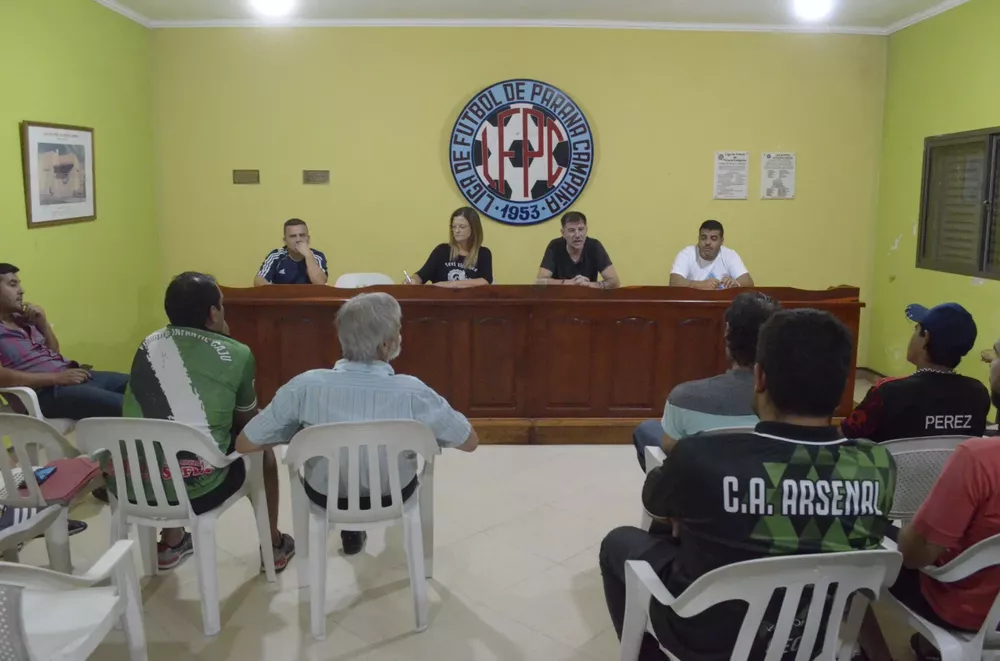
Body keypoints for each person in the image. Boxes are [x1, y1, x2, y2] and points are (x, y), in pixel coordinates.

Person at [600, 308, 896, 661]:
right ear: (843, 384)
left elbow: (658, 507)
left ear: (760, 378)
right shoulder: (876, 465)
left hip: (705, 637)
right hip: (814, 633)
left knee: (619, 543)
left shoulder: (701, 455)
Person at [234, 292, 479, 555]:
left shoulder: (304, 387)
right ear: (386, 345)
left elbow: (245, 442)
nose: (400, 335)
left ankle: (348, 530)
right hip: (395, 494)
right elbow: (470, 441)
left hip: (325, 496)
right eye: (398, 330)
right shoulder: (413, 392)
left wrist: (296, 435)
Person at [110, 272, 294, 571]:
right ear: (213, 312)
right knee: (263, 451)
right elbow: (247, 426)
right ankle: (273, 545)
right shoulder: (238, 353)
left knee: (167, 435)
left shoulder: (147, 343)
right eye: (221, 304)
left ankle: (171, 542)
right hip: (198, 486)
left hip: (132, 480)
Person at [860, 335, 1000, 660]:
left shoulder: (978, 458)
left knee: (860, 553)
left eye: (995, 356)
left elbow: (914, 556)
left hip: (965, 609)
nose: (988, 362)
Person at [632, 292, 779, 471]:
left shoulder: (684, 397)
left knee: (647, 429)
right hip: (767, 481)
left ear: (727, 332)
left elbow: (673, 451)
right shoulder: (795, 402)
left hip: (701, 486)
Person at [842, 302, 989, 443]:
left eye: (915, 329)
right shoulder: (978, 394)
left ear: (926, 337)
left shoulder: (888, 392)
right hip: (950, 470)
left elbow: (845, 435)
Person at [0, 263, 129, 419]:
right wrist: (56, 378)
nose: (21, 290)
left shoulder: (23, 320)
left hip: (72, 377)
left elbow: (53, 355)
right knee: (128, 405)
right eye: (13, 285)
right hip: (43, 394)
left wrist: (44, 325)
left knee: (140, 385)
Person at [406, 207, 493, 288]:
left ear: (473, 228)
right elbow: (421, 275)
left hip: (470, 303)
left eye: (462, 227)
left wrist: (449, 284)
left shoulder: (483, 253)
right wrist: (413, 280)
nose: (457, 231)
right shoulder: (442, 251)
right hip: (441, 302)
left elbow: (485, 281)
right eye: (454, 227)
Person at [535, 211, 620, 288]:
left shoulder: (594, 246)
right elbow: (540, 281)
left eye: (581, 229)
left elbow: (615, 282)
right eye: (571, 230)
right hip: (560, 301)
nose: (577, 235)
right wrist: (569, 283)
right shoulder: (555, 246)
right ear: (563, 233)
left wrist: (590, 284)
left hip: (588, 299)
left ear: (586, 230)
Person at [669, 220, 753, 290]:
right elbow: (674, 282)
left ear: (721, 241)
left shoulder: (730, 255)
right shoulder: (687, 254)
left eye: (713, 239)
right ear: (698, 238)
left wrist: (736, 283)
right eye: (703, 238)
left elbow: (749, 283)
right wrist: (699, 285)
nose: (707, 242)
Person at [254, 218, 328, 286]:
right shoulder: (276, 256)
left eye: (302, 235)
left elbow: (320, 284)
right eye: (293, 236)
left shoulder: (317, 256)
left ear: (308, 239)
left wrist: (308, 255)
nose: (298, 239)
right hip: (282, 299)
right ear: (285, 241)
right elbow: (258, 281)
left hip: (309, 299)